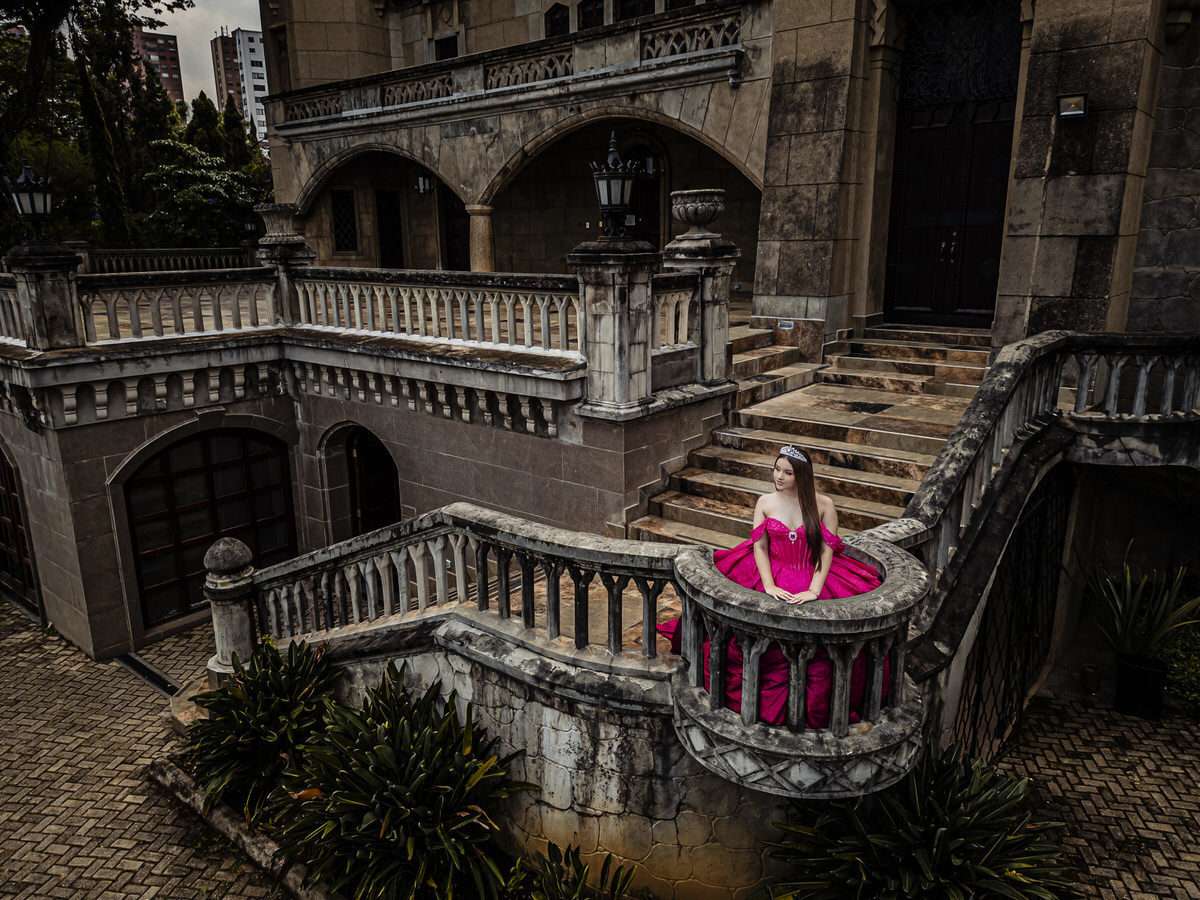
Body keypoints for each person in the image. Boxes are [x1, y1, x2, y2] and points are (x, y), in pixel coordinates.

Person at [659, 445, 884, 729]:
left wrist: (815, 590)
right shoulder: (765, 502)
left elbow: (826, 552)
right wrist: (768, 584)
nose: (779, 476)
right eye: (777, 470)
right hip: (772, 571)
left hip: (811, 572)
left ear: (801, 475)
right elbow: (760, 548)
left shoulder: (823, 504)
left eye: (787, 473)